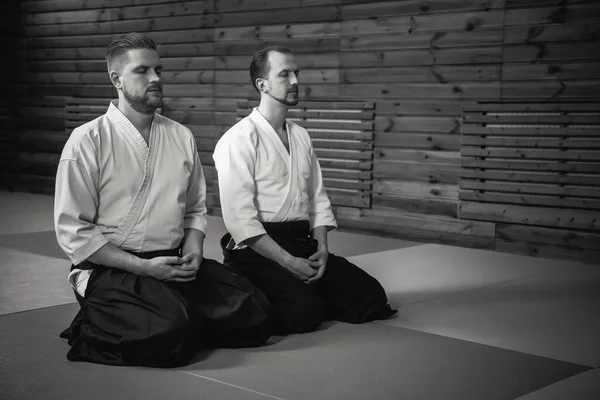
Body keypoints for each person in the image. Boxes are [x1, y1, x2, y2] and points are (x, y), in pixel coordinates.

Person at [54, 32, 271, 367]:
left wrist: (194, 251)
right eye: (142, 71)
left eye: (158, 70)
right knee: (170, 333)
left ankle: (173, 314)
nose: (155, 78)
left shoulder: (179, 135)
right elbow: (74, 231)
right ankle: (90, 325)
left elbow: (196, 208)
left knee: (255, 312)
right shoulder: (87, 141)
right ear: (117, 79)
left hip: (172, 264)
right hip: (113, 268)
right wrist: (142, 267)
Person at [213, 46, 396, 335]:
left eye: (296, 73)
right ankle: (247, 285)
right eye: (285, 74)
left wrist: (321, 248)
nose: (296, 81)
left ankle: (301, 290)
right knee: (302, 315)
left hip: (300, 243)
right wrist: (288, 263)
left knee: (372, 298)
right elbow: (238, 219)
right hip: (257, 251)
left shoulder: (300, 135)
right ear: (262, 84)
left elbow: (317, 197)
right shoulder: (238, 139)